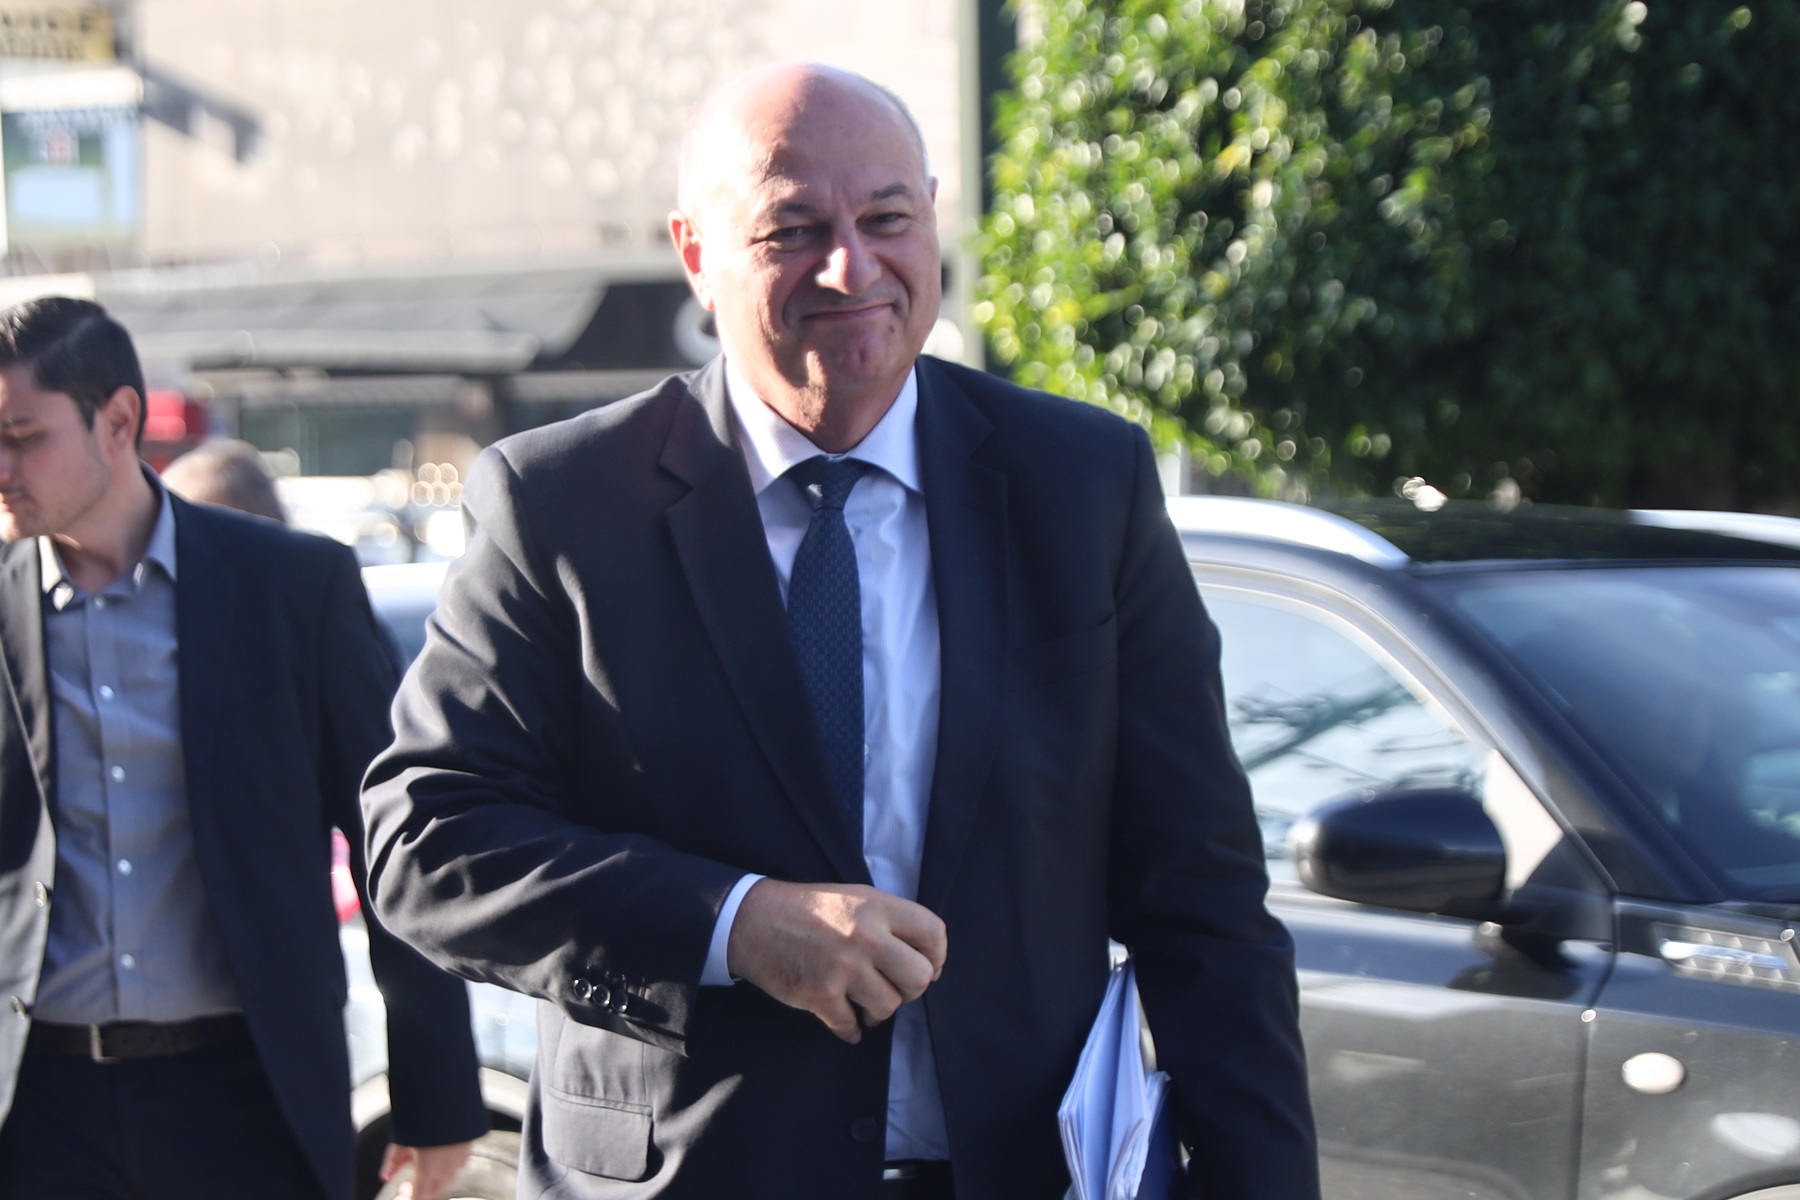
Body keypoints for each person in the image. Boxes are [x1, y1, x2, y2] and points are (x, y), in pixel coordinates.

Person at [361, 62, 1318, 1200]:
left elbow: (1203, 896)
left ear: (934, 222)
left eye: (887, 219)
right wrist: (734, 925)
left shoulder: (1082, 484)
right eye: (794, 228)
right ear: (696, 254)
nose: (850, 266)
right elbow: (425, 838)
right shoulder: (562, 501)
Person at [0, 297, 488, 1200]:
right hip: (36, 1110)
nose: (1, 467)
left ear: (118, 421)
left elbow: (394, 841)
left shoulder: (291, 588)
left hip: (245, 1098)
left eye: (21, 436)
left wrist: (437, 1093)